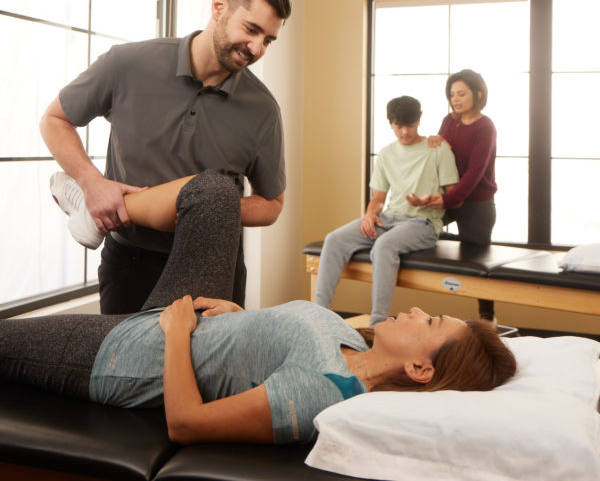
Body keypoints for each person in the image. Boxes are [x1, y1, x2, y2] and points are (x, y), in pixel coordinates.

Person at [0, 171, 517, 448]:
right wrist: (233, 313)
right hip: (196, 313)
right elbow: (270, 339)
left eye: (430, 323)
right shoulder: (356, 343)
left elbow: (187, 424)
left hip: (132, 355)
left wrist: (179, 335)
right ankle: (93, 208)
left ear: (420, 368)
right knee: (214, 192)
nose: (419, 309)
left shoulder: (325, 390)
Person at [40, 0, 291, 315]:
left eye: (268, 40)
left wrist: (202, 210)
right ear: (219, 6)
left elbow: (272, 204)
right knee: (125, 367)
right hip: (132, 259)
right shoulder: (127, 64)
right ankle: (92, 202)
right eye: (251, 29)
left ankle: (101, 207)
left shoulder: (262, 109)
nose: (257, 48)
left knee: (207, 369)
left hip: (215, 262)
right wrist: (92, 183)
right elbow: (55, 120)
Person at [314, 96, 459, 326]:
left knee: (384, 247)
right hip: (389, 218)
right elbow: (379, 198)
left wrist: (430, 201)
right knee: (333, 240)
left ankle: (377, 324)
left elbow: (454, 197)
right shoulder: (386, 154)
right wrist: (370, 214)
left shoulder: (437, 149)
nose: (404, 132)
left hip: (423, 224)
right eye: (398, 126)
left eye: (409, 126)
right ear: (390, 123)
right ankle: (317, 316)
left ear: (418, 121)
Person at [422, 69, 497, 245]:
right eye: (452, 94)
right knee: (419, 233)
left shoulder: (485, 127)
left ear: (478, 94)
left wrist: (448, 200)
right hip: (449, 196)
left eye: (461, 94)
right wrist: (435, 140)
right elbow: (440, 157)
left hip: (476, 204)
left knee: (472, 257)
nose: (455, 99)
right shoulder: (449, 120)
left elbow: (475, 172)